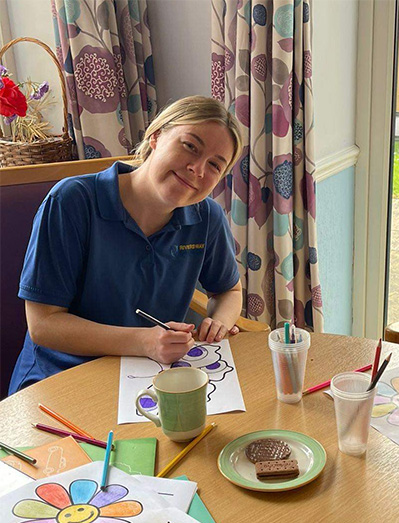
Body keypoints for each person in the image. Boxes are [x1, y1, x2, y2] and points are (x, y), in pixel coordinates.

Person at [9, 96, 244, 394]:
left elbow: (228, 291)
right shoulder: (71, 201)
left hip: (151, 376)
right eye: (190, 146)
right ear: (156, 136)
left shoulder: (207, 217)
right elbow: (44, 325)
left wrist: (219, 321)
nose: (197, 169)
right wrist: (144, 342)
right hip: (60, 377)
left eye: (214, 165)